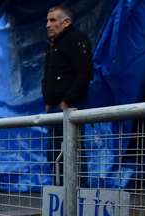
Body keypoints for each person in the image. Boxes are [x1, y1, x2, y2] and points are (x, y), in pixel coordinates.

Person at [42, 5, 93, 185]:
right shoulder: (53, 45)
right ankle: (60, 193)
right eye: (47, 21)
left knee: (73, 154)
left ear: (66, 22)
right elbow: (48, 75)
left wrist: (67, 102)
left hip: (71, 107)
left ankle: (78, 194)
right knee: (54, 154)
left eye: (52, 20)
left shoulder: (77, 39)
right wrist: (48, 102)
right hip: (55, 109)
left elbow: (85, 73)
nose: (47, 25)